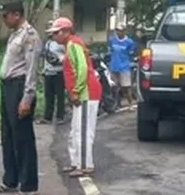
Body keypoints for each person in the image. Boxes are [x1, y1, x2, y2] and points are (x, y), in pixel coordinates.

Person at [0, 0, 41, 195]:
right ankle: (11, 180)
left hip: (20, 88)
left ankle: (29, 186)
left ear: (17, 14)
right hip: (8, 88)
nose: (3, 19)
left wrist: (27, 98)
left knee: (23, 138)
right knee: (8, 137)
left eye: (5, 15)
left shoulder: (30, 36)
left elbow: (31, 70)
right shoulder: (14, 35)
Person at [49, 17, 101, 178]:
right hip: (82, 92)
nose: (54, 36)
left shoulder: (74, 44)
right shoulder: (70, 45)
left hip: (86, 93)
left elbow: (82, 68)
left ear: (66, 31)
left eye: (56, 33)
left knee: (83, 131)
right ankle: (76, 162)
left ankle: (85, 165)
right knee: (76, 130)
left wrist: (76, 91)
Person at [38, 31, 67, 124]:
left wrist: (60, 61)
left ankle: (60, 116)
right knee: (48, 96)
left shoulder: (61, 44)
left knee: (60, 95)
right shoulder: (48, 43)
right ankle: (47, 117)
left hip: (58, 72)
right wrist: (43, 70)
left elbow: (67, 56)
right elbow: (44, 57)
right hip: (48, 72)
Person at [107, 27, 136, 106]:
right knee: (114, 87)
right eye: (117, 30)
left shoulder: (129, 42)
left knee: (126, 87)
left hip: (124, 67)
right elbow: (110, 51)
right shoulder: (112, 40)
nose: (118, 32)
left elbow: (131, 53)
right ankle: (116, 104)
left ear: (124, 31)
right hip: (114, 66)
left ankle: (130, 103)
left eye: (120, 31)